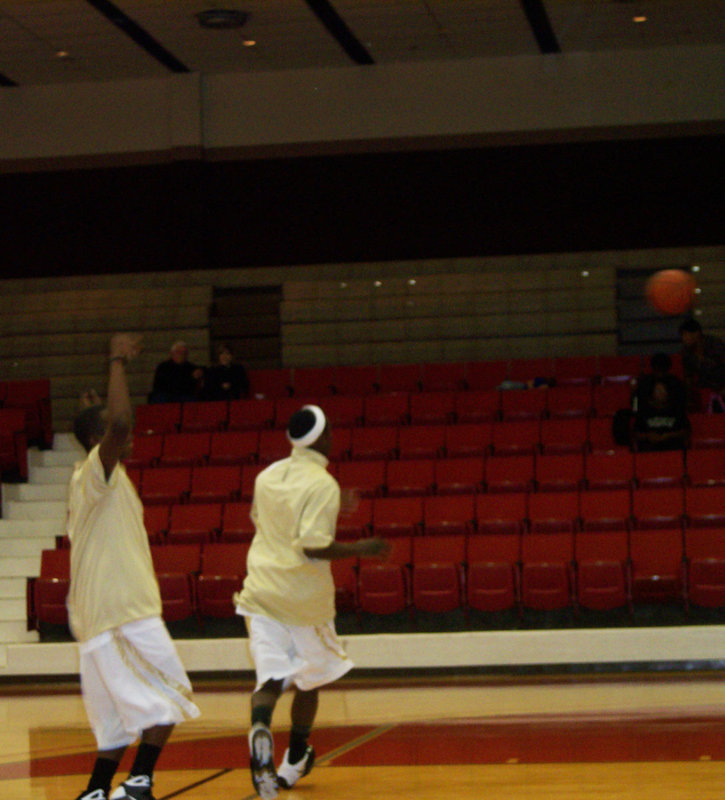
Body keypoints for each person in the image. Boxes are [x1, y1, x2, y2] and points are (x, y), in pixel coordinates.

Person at [235, 405, 390, 799]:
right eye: (331, 430)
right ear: (321, 438)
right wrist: (363, 548)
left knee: (270, 678)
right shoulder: (322, 484)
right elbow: (312, 546)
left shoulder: (268, 475)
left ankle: (260, 727)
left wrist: (334, 504)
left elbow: (264, 519)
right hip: (302, 601)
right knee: (312, 677)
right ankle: (297, 754)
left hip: (260, 590)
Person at [69, 333, 200, 800]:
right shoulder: (95, 472)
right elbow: (119, 423)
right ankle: (140, 781)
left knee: (117, 723)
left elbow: (111, 423)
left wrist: (95, 404)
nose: (127, 434)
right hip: (122, 613)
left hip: (99, 619)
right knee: (170, 698)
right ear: (96, 438)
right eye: (108, 430)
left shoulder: (99, 479)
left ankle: (97, 791)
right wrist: (117, 361)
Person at [679, 318, 725, 412]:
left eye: (685, 334)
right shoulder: (686, 352)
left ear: (696, 333)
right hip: (706, 391)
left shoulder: (715, 344)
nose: (683, 338)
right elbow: (688, 377)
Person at [632, 377, 690, 451]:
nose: (661, 393)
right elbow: (636, 433)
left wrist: (667, 436)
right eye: (658, 390)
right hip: (649, 450)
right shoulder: (644, 412)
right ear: (652, 393)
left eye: (663, 390)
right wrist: (649, 436)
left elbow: (685, 431)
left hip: (673, 450)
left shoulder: (676, 411)